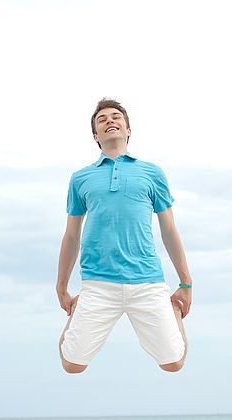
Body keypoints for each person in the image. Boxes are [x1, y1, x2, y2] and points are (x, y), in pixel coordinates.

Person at [56, 98, 192, 374]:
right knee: (72, 365)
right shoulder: (81, 178)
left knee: (173, 364)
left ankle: (173, 312)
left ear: (128, 130)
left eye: (116, 117)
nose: (110, 121)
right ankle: (82, 308)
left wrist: (185, 282)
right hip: (98, 283)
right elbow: (71, 236)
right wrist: (62, 286)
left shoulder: (152, 173)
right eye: (102, 119)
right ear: (96, 136)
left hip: (147, 281)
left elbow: (168, 229)